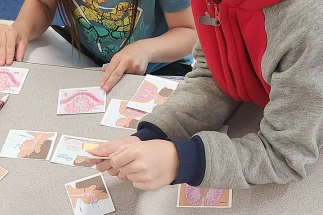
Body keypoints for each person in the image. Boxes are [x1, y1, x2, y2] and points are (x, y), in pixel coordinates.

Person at [92, 0, 323, 191]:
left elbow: (286, 156)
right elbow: (215, 75)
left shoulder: (311, 22)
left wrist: (184, 160)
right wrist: (156, 133)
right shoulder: (212, 3)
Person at [0, 0, 196, 91]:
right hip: (87, 50)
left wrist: (145, 50)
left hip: (159, 63)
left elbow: (188, 31)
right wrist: (20, 29)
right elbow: (43, 4)